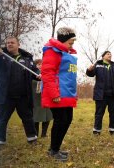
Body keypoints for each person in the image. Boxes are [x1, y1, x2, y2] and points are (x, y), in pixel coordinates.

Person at [0, 36, 39, 146]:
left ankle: (32, 139)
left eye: (12, 42)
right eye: (7, 43)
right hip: (6, 95)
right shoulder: (1, 56)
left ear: (18, 44)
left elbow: (34, 71)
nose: (9, 44)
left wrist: (38, 74)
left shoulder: (27, 58)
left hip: (23, 96)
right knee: (2, 119)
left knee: (28, 118)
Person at [41, 27, 78, 161]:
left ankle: (55, 148)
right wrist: (54, 93)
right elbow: (47, 74)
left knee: (67, 120)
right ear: (62, 41)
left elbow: (69, 76)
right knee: (60, 121)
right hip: (57, 93)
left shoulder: (66, 54)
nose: (72, 45)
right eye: (70, 42)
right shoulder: (52, 52)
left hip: (67, 93)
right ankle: (53, 151)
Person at [86, 51, 114, 135]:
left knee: (113, 113)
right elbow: (90, 74)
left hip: (113, 95)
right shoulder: (98, 64)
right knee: (99, 113)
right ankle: (97, 130)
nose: (110, 55)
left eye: (111, 54)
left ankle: (113, 130)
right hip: (101, 94)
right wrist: (89, 69)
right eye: (108, 54)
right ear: (103, 56)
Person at [32, 59, 53, 138]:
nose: (40, 66)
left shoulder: (48, 73)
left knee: (47, 116)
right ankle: (35, 134)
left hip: (47, 98)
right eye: (38, 64)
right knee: (36, 117)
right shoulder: (32, 74)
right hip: (36, 99)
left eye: (42, 64)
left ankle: (44, 134)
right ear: (35, 66)